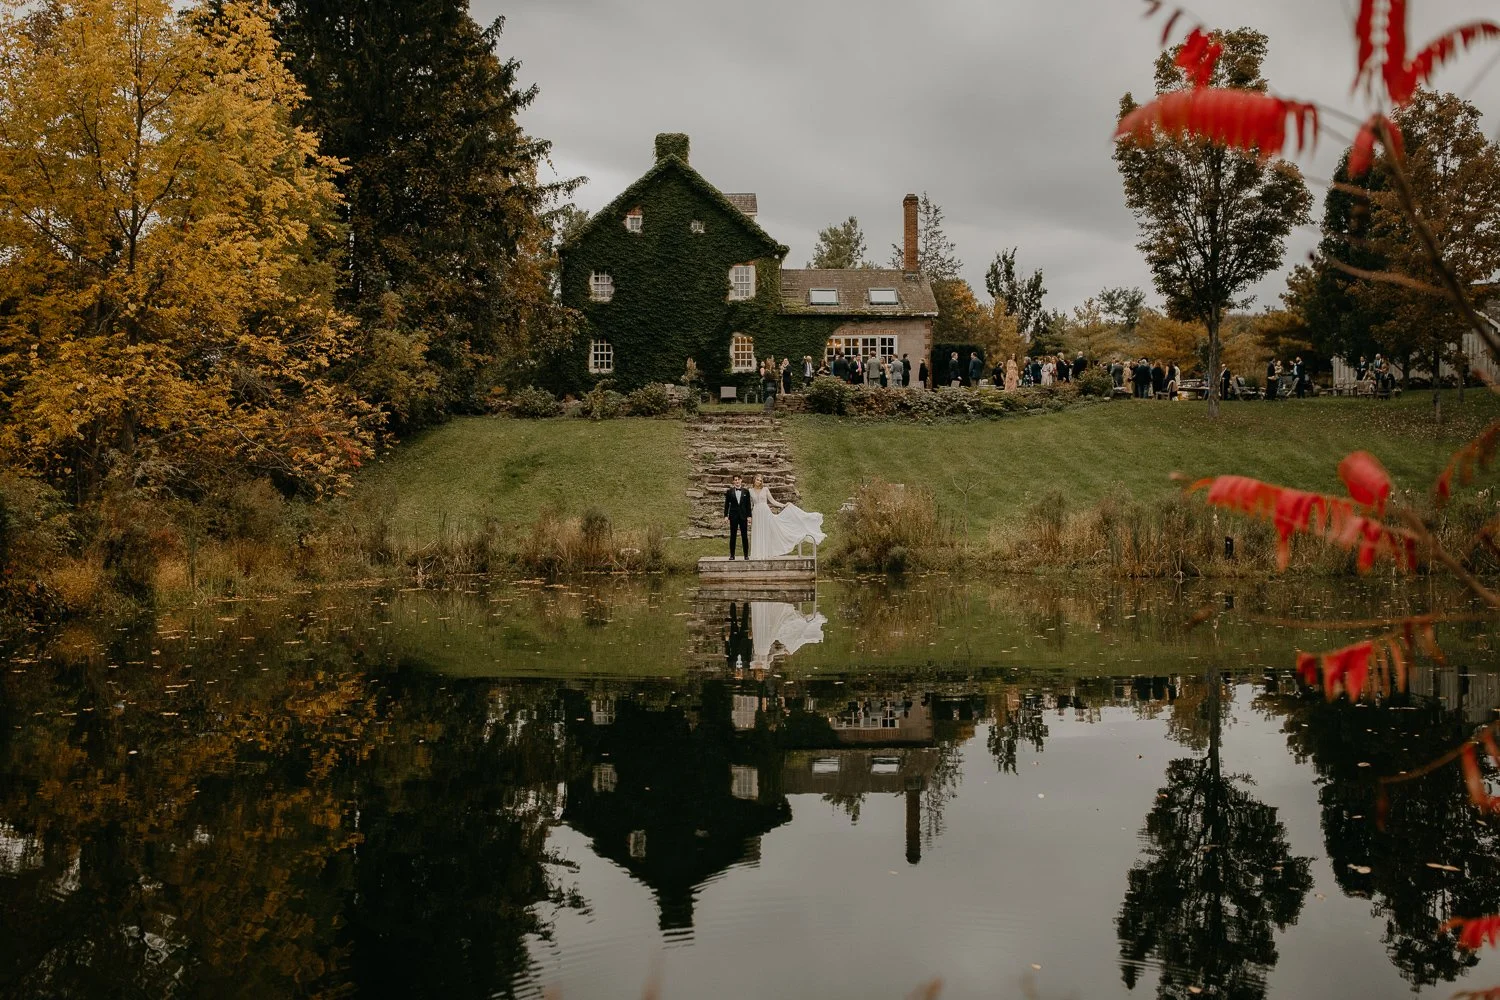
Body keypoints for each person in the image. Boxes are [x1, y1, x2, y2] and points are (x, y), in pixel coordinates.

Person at [749, 474, 826, 559]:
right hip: (756, 513)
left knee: (767, 532)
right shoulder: (750, 491)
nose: (759, 482)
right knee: (757, 531)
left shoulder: (765, 489)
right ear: (754, 480)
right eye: (757, 480)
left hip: (765, 512)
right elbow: (750, 505)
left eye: (760, 480)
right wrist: (749, 516)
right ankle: (758, 554)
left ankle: (765, 553)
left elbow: (772, 501)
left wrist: (783, 505)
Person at [723, 474, 752, 560]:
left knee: (744, 536)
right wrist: (725, 516)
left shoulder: (746, 492)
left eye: (738, 479)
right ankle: (732, 555)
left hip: (743, 516)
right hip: (733, 516)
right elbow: (726, 505)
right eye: (735, 480)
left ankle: (746, 555)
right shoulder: (729, 491)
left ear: (741, 480)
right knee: (733, 536)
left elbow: (748, 505)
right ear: (733, 481)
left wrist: (749, 516)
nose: (737, 481)